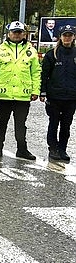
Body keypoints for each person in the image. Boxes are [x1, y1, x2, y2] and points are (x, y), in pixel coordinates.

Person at [0, 21, 41, 160]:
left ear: (24, 34)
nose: (16, 34)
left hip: (23, 95)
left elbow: (36, 72)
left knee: (21, 125)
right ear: (9, 33)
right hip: (4, 95)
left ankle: (22, 150)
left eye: (19, 32)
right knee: (1, 123)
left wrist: (35, 91)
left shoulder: (31, 51)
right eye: (14, 32)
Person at [40, 24, 76, 161]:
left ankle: (62, 149)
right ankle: (53, 149)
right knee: (53, 123)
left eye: (70, 35)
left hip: (71, 97)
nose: (67, 38)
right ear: (60, 37)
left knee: (66, 125)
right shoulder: (52, 54)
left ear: (74, 37)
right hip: (54, 96)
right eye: (65, 35)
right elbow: (44, 75)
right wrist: (43, 92)